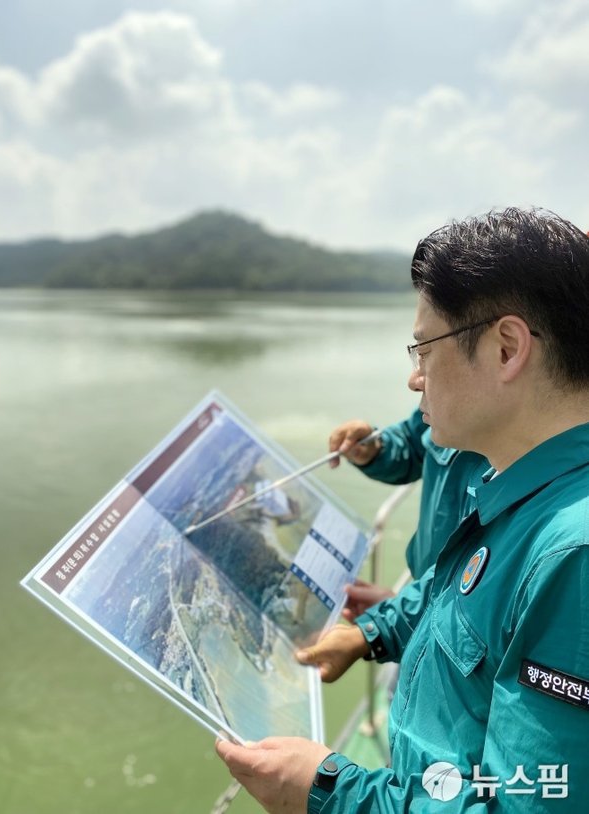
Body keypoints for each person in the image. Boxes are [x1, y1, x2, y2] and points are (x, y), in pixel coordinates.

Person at [215, 207, 589, 812]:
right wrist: (371, 634)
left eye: (424, 350)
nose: (414, 380)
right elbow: (455, 596)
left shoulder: (573, 557)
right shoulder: (515, 489)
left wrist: (329, 791)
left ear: (507, 348)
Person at [328, 410, 487, 619]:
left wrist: (389, 625)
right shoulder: (445, 399)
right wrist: (376, 448)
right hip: (426, 604)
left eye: (430, 374)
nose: (414, 381)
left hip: (452, 618)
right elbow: (413, 440)